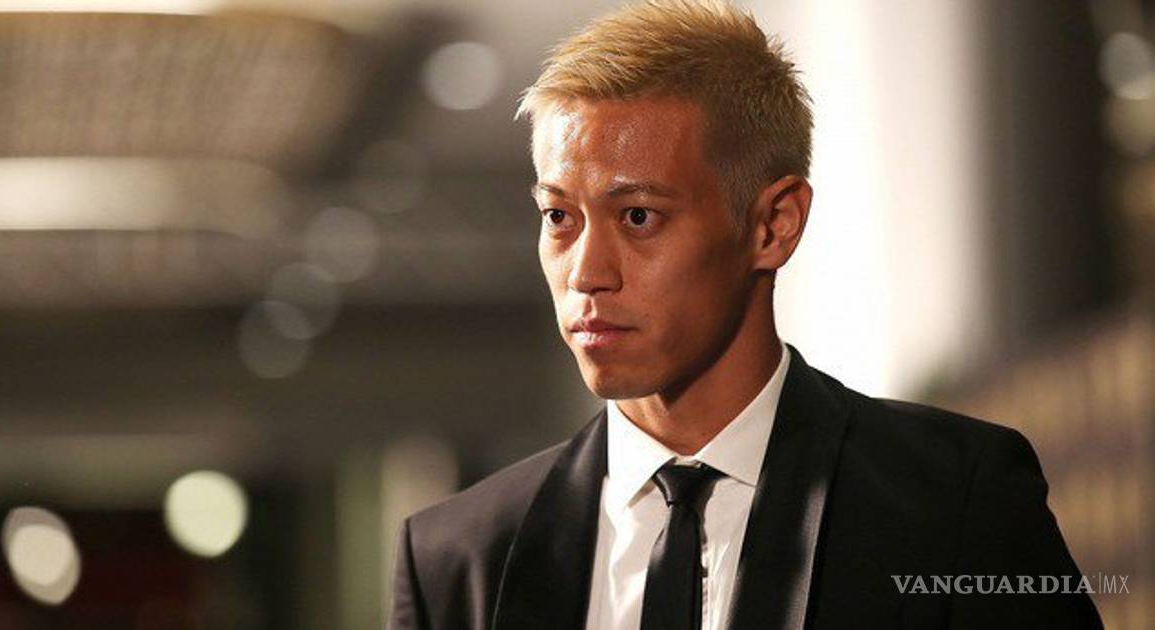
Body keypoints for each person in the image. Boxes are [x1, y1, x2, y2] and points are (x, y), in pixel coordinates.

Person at [388, 1, 1103, 629]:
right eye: (559, 217)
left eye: (638, 216)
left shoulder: (953, 501)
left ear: (773, 225)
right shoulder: (456, 558)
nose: (586, 273)